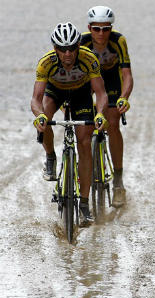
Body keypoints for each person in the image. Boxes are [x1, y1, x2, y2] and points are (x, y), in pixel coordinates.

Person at [31, 22, 108, 225]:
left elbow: (100, 93)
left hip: (81, 94)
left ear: (78, 46)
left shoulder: (88, 59)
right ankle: (50, 156)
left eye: (72, 48)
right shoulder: (46, 63)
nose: (68, 53)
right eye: (62, 49)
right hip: (55, 92)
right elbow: (36, 99)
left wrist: (100, 114)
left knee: (84, 142)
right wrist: (39, 116)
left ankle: (83, 203)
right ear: (55, 48)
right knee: (45, 120)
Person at [81, 6, 134, 208]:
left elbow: (127, 74)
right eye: (96, 29)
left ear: (111, 28)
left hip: (111, 80)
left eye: (106, 29)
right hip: (88, 80)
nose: (101, 33)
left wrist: (124, 97)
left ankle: (118, 182)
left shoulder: (118, 41)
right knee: (83, 126)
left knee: (112, 123)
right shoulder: (81, 42)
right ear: (89, 28)